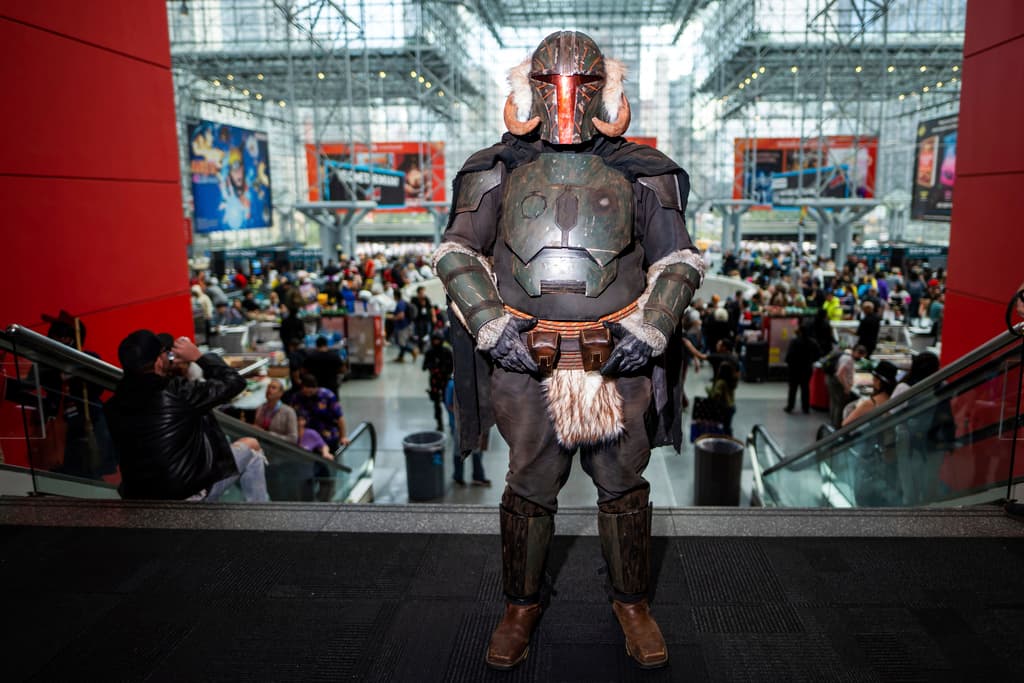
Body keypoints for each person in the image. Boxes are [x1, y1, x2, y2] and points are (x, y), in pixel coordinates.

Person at [433, 31, 702, 671]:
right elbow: (456, 253)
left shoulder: (645, 172)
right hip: (525, 363)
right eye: (552, 81)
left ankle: (631, 601)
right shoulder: (493, 169)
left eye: (582, 82)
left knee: (622, 486)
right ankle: (520, 605)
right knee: (528, 488)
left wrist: (653, 327)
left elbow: (679, 260)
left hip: (616, 362)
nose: (565, 97)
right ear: (526, 86)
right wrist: (493, 326)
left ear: (604, 88)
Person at [105, 330, 269, 502]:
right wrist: (198, 357)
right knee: (252, 446)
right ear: (159, 361)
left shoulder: (113, 404)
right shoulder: (176, 391)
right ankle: (261, 519)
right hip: (186, 495)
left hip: (139, 497)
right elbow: (235, 382)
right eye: (165, 353)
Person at [444, 375, 489, 487]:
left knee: (476, 450)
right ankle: (458, 477)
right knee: (459, 451)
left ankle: (478, 477)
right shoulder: (453, 385)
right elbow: (449, 405)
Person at [288, 373, 349, 451]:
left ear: (315, 388)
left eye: (310, 392)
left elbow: (339, 417)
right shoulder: (297, 397)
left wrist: (343, 436)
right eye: (305, 392)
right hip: (308, 437)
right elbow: (291, 415)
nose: (307, 395)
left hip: (328, 435)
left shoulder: (327, 396)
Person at [826, 344, 867, 428]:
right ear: (856, 352)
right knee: (840, 405)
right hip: (838, 384)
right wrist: (846, 387)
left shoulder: (846, 357)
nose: (860, 358)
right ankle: (837, 426)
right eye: (860, 355)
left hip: (833, 381)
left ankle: (832, 423)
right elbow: (840, 374)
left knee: (834, 402)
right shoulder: (848, 359)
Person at [784, 325, 821, 414]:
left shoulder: (794, 341)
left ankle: (790, 406)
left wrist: (789, 363)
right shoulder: (812, 342)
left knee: (793, 388)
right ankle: (805, 407)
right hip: (806, 368)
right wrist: (811, 360)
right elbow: (818, 354)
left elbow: (789, 355)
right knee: (805, 388)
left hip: (794, 368)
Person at [422, 331, 454, 432]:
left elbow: (452, 366)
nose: (436, 342)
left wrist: (444, 369)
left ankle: (452, 423)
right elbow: (424, 366)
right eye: (434, 340)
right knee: (437, 405)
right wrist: (432, 367)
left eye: (438, 340)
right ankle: (439, 424)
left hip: (445, 381)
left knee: (448, 403)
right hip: (435, 382)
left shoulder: (447, 351)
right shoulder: (429, 352)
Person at [254, 378, 298, 443]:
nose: (269, 389)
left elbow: (293, 439)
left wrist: (268, 434)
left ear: (280, 393)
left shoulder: (289, 412)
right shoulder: (261, 408)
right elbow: (257, 427)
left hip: (278, 448)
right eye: (268, 387)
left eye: (273, 388)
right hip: (260, 443)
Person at [706, 361, 738, 435]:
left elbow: (717, 395)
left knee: (723, 426)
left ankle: (726, 438)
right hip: (732, 406)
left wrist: (709, 392)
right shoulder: (731, 381)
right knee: (727, 425)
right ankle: (729, 436)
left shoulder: (720, 382)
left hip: (724, 407)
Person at [391, 288, 418, 362]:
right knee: (401, 342)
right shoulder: (402, 302)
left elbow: (401, 315)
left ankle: (413, 350)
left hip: (403, 326)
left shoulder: (400, 303)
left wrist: (393, 318)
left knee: (401, 343)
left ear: (395, 296)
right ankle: (400, 357)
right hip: (404, 325)